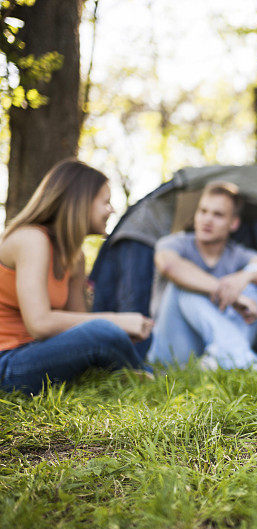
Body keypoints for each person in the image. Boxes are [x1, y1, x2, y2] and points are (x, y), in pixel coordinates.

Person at [0, 160, 152, 394]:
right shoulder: (31, 240)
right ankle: (143, 375)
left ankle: (136, 375)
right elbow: (39, 323)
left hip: (38, 353)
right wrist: (116, 321)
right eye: (106, 202)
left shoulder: (75, 257)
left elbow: (79, 325)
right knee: (104, 330)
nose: (111, 210)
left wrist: (115, 332)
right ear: (79, 202)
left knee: (108, 333)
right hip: (8, 363)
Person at [146, 181, 257, 373]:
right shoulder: (175, 243)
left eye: (217, 215)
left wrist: (245, 276)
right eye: (203, 211)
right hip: (173, 351)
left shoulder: (237, 254)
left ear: (233, 223)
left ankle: (220, 358)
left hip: (211, 353)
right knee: (183, 285)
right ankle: (243, 359)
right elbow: (169, 265)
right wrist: (227, 292)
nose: (207, 220)